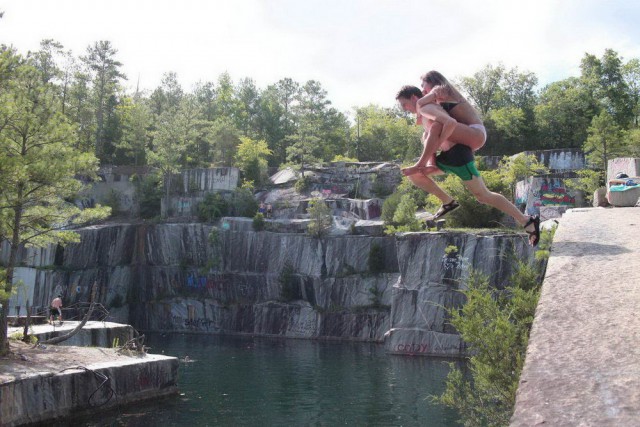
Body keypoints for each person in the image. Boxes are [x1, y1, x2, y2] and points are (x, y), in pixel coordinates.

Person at [396, 85, 541, 246]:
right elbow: (432, 133)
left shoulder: (426, 107)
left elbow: (447, 123)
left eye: (404, 105)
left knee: (483, 196)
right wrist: (430, 163)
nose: (404, 109)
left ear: (414, 98)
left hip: (458, 156)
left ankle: (527, 221)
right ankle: (447, 201)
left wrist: (422, 161)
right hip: (446, 158)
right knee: (414, 175)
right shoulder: (423, 114)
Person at [405, 71, 488, 175]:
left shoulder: (441, 89)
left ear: (432, 81)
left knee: (435, 126)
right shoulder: (440, 95)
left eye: (423, 85)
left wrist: (438, 142)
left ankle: (420, 164)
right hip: (471, 134)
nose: (422, 90)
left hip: (476, 133)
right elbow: (419, 122)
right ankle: (432, 164)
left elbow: (420, 103)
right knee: (426, 132)